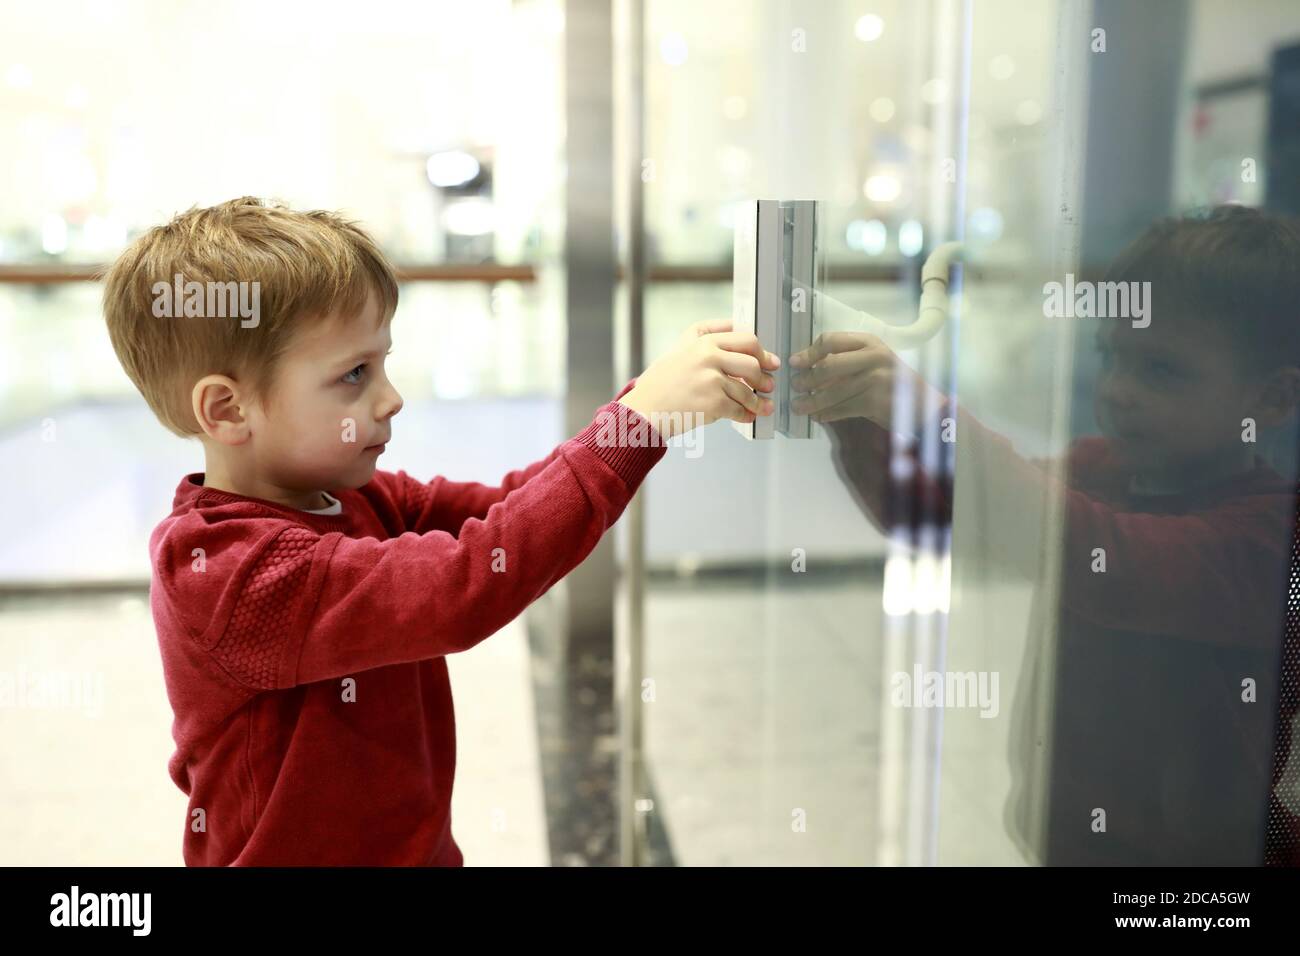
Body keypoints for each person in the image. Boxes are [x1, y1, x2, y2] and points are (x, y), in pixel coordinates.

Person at [101, 196, 780, 865]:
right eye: (354, 375)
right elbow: (467, 584)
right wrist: (637, 423)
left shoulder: (354, 499)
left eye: (382, 363)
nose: (390, 396)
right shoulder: (227, 569)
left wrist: (645, 406)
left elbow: (514, 510)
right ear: (227, 408)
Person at [792, 204, 1300, 865]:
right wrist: (855, 414)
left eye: (1162, 371)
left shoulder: (1271, 538)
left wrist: (928, 418)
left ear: (1273, 401)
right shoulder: (1098, 468)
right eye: (1114, 359)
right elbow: (951, 516)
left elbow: (1106, 559)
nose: (1119, 391)